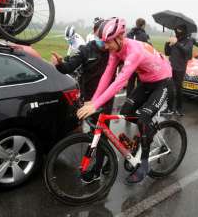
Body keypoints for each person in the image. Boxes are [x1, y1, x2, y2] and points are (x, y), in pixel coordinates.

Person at [77, 17, 172, 184]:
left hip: (162, 82)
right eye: (104, 42)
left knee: (143, 119)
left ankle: (143, 164)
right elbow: (107, 75)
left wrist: (96, 104)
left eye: (108, 42)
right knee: (125, 112)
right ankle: (145, 133)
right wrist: (93, 101)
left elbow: (119, 82)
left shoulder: (134, 52)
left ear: (120, 38)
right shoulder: (115, 50)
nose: (106, 46)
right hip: (146, 82)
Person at [51, 19, 115, 183]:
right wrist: (59, 64)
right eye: (100, 34)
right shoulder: (86, 49)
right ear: (95, 33)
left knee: (100, 135)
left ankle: (98, 169)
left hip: (105, 99)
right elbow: (69, 67)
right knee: (96, 133)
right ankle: (109, 159)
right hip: (88, 99)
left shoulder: (113, 50)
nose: (104, 39)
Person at [163, 25, 198, 116]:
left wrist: (176, 43)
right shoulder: (175, 39)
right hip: (170, 67)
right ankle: (169, 108)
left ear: (183, 31)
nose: (177, 32)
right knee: (170, 88)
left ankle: (179, 109)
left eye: (179, 30)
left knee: (179, 89)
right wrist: (167, 44)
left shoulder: (189, 40)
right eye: (176, 30)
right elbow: (167, 53)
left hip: (180, 68)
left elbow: (186, 51)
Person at [125, 18, 151, 97]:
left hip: (130, 61)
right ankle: (138, 99)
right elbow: (147, 49)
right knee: (140, 82)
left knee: (131, 81)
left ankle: (128, 98)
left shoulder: (129, 34)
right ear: (143, 25)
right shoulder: (144, 35)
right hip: (140, 62)